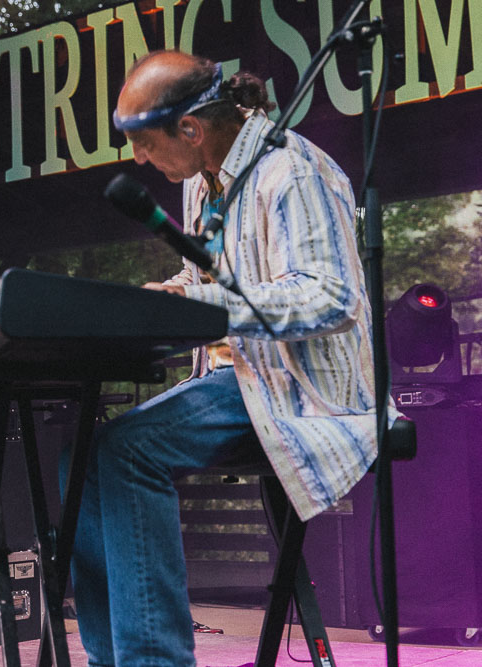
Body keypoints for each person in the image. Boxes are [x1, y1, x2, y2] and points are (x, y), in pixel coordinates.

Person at [70, 50, 383, 665]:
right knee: (79, 456)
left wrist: (196, 299)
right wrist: (170, 297)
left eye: (142, 143)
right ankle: (115, 657)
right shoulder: (199, 186)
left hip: (308, 393)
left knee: (125, 452)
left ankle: (153, 661)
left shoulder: (291, 172)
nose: (137, 160)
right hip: (243, 381)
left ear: (190, 128)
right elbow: (203, 281)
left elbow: (331, 296)